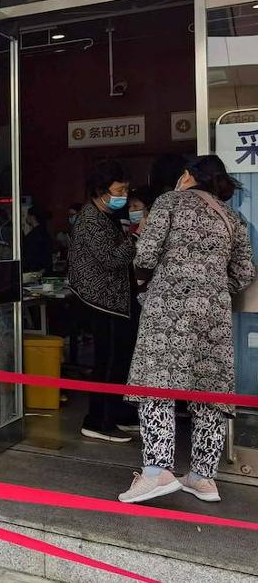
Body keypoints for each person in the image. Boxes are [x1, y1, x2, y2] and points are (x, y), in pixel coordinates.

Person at [120, 155, 255, 504]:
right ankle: (203, 477)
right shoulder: (232, 218)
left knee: (156, 384)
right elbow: (244, 273)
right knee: (209, 391)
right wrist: (211, 288)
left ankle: (157, 472)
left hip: (168, 309)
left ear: (189, 176)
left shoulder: (170, 202)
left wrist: (151, 285)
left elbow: (145, 255)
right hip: (213, 314)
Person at [67, 159, 137, 443]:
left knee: (120, 359)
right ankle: (97, 420)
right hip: (100, 301)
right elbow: (111, 259)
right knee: (106, 362)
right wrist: (137, 236)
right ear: (100, 190)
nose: (124, 195)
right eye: (119, 190)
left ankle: (117, 413)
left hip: (115, 300)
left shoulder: (108, 215)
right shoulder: (90, 220)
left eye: (126, 189)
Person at [22, 204, 53, 276]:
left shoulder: (32, 236)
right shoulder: (45, 233)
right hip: (43, 271)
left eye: (28, 215)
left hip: (34, 272)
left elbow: (29, 257)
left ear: (32, 217)